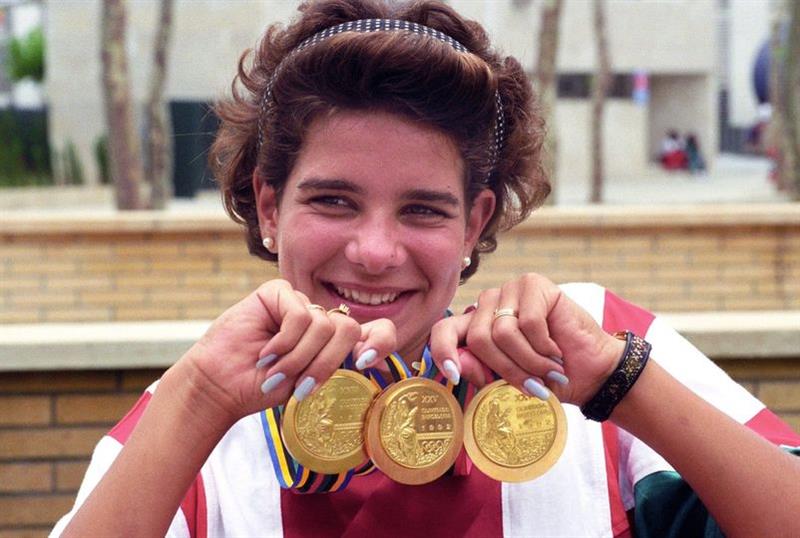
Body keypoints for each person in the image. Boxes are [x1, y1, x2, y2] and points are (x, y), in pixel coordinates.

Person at [53, 1, 800, 537]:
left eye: (423, 210)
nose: (376, 250)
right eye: (334, 200)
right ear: (270, 205)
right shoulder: (186, 418)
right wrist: (200, 398)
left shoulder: (595, 346)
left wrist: (616, 380)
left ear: (474, 223)